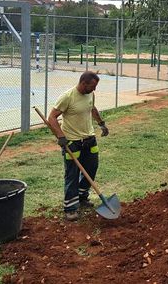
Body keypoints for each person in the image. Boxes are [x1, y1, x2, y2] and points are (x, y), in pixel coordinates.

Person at [48, 71, 109, 222]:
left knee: (91, 168)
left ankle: (82, 197)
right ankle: (70, 208)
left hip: (90, 139)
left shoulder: (90, 95)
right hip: (72, 142)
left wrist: (101, 124)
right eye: (92, 86)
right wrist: (61, 137)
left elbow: (92, 108)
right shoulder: (68, 97)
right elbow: (52, 118)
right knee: (72, 174)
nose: (94, 90)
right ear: (83, 83)